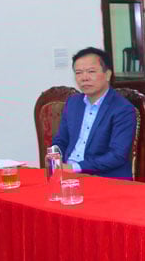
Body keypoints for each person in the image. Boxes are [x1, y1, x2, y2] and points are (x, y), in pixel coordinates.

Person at [52, 47, 137, 178]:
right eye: (78, 73)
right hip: (67, 174)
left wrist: (75, 167)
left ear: (108, 74)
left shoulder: (123, 109)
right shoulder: (73, 103)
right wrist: (54, 158)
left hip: (105, 178)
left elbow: (117, 155)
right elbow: (61, 140)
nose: (84, 78)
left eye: (91, 71)